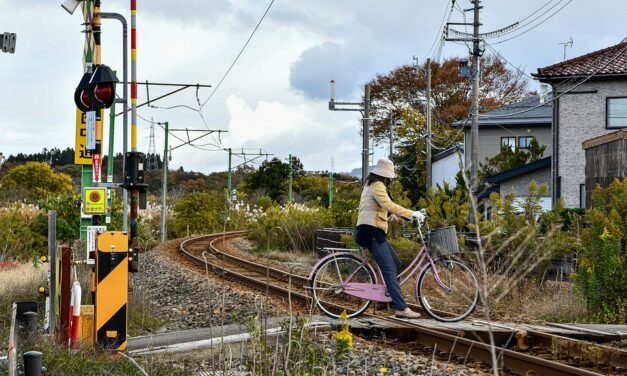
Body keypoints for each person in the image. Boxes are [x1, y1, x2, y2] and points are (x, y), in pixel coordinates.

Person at [354, 158, 425, 319]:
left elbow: (385, 212)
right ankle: (401, 308)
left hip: (373, 231)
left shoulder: (371, 185)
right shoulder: (377, 185)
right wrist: (411, 213)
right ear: (387, 175)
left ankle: (391, 298)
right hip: (371, 232)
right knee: (389, 269)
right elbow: (389, 205)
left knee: (397, 264)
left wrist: (406, 219)